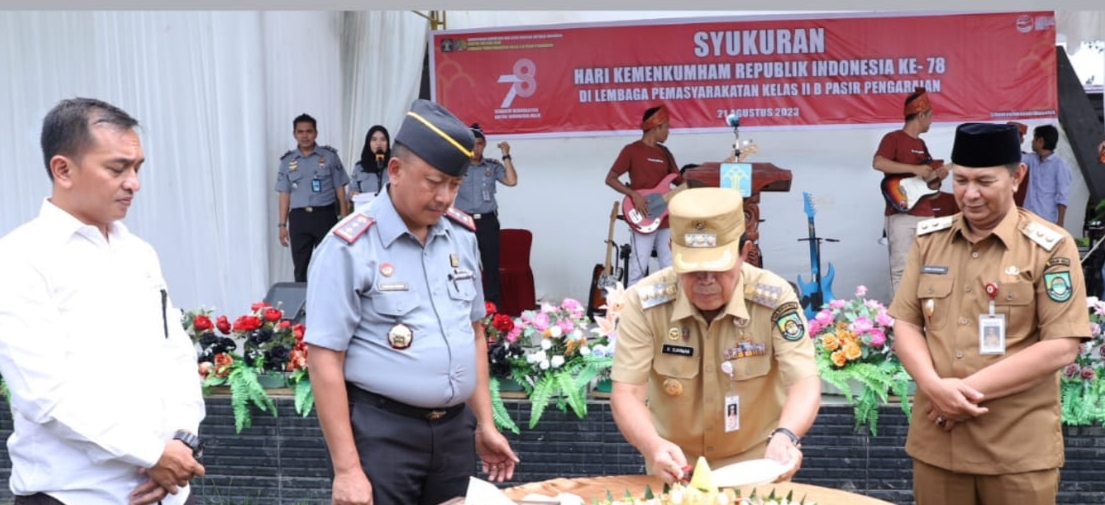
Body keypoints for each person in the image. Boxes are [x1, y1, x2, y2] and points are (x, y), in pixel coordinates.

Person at [304, 99, 519, 505]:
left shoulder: (461, 236)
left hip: (454, 434)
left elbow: (473, 333)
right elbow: (324, 358)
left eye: (454, 185)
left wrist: (485, 423)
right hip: (384, 435)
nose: (444, 197)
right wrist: (347, 470)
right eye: (433, 181)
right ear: (396, 171)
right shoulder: (348, 247)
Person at [0, 98, 206, 504]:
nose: (133, 182)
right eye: (117, 168)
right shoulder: (21, 259)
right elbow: (44, 393)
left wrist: (181, 441)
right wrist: (150, 453)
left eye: (137, 168)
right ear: (63, 169)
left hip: (168, 491)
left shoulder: (140, 254)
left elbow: (176, 355)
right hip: (76, 494)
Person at [888, 122, 1090, 505]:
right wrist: (934, 387)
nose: (970, 194)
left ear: (1017, 177)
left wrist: (957, 395)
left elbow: (1062, 346)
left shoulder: (1049, 247)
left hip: (1016, 451)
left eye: (984, 181)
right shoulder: (930, 242)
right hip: (938, 446)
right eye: (960, 180)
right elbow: (906, 323)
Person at [610, 187, 821, 484]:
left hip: (757, 465)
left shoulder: (774, 298)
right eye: (693, 269)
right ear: (672, 250)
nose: (705, 281)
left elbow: (803, 381)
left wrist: (786, 436)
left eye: (718, 269)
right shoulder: (644, 302)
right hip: (674, 465)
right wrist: (652, 446)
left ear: (744, 253)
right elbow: (627, 393)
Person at [873, 87, 950, 295]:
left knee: (930, 268)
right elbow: (878, 163)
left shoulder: (922, 145)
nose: (932, 121)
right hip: (900, 215)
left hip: (926, 214)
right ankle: (900, 322)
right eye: (930, 116)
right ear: (921, 115)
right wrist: (915, 168)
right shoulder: (893, 138)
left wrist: (937, 179)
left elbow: (929, 190)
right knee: (901, 269)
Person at [605, 104, 684, 287]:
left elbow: (680, 182)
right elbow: (610, 178)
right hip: (643, 217)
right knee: (638, 266)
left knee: (669, 266)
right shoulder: (632, 150)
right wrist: (633, 194)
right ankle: (632, 310)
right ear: (656, 127)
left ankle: (670, 309)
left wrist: (701, 179)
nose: (668, 133)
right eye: (666, 128)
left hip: (665, 217)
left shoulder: (665, 153)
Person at [275, 113, 350, 282]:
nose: (305, 136)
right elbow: (284, 193)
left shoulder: (329, 156)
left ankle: (329, 305)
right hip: (299, 218)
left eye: (309, 131)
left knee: (329, 265)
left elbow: (340, 189)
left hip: (324, 216)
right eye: (300, 132)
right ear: (294, 134)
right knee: (300, 268)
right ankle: (303, 307)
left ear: (316, 133)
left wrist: (345, 219)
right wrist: (282, 224)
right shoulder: (288, 161)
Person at [454, 122, 518, 305]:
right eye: (473, 143)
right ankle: (465, 304)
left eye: (480, 143)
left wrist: (506, 155)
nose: (476, 147)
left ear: (484, 145)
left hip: (487, 222)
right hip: (463, 222)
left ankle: (493, 308)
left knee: (491, 266)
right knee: (463, 266)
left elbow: (512, 181)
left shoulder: (491, 166)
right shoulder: (458, 167)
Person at [1022, 124, 1073, 226]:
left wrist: (1060, 222)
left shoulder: (1059, 165)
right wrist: (1017, 140)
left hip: (1046, 220)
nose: (1032, 142)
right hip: (1027, 218)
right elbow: (1014, 159)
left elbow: (1062, 196)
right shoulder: (1032, 159)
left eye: (1034, 139)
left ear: (1040, 141)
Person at [348, 125, 391, 208]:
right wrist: (352, 195)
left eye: (383, 139)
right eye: (374, 139)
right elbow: (351, 192)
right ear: (368, 143)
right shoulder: (359, 168)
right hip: (367, 213)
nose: (378, 143)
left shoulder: (394, 166)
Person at [1006, 121, 1030, 207]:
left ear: (1022, 140)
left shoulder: (1029, 160)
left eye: (1018, 136)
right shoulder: (996, 157)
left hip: (1021, 206)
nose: (1013, 139)